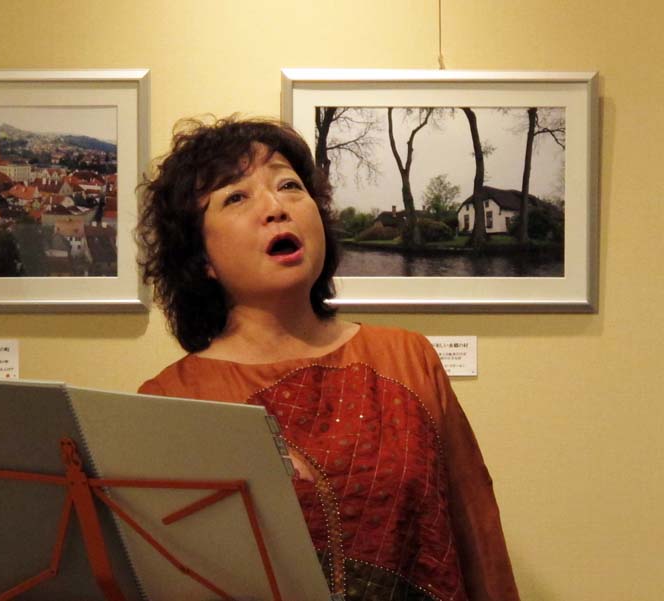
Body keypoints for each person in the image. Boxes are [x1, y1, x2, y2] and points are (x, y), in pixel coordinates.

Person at [137, 116, 519, 601]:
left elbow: (476, 530)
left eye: (289, 186)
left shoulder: (408, 357)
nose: (276, 207)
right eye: (236, 197)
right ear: (202, 258)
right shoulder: (171, 400)